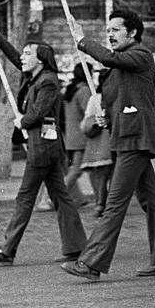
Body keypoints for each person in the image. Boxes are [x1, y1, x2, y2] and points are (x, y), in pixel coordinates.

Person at [61, 9, 155, 281]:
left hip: (135, 139)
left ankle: (92, 263)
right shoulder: (118, 68)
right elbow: (120, 97)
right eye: (109, 30)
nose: (110, 34)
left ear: (133, 33)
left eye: (115, 30)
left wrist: (82, 40)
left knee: (114, 203)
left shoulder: (140, 55)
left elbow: (108, 57)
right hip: (125, 137)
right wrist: (107, 114)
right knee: (151, 200)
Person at [0, 20, 87, 266]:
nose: (23, 57)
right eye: (24, 53)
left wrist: (22, 122)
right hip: (45, 147)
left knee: (25, 197)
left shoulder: (47, 81)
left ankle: (7, 250)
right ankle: (77, 246)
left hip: (43, 149)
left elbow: (38, 113)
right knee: (61, 197)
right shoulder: (36, 76)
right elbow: (16, 59)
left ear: (40, 59)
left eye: (29, 53)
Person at [79, 79, 114, 218]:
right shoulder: (104, 97)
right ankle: (107, 204)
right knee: (111, 175)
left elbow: (85, 121)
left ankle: (100, 203)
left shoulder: (95, 98)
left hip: (98, 143)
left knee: (100, 175)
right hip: (106, 140)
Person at [62, 65, 93, 208]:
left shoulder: (71, 91)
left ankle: (79, 198)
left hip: (71, 136)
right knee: (76, 170)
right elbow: (89, 113)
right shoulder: (84, 91)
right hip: (82, 136)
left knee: (75, 169)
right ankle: (54, 196)